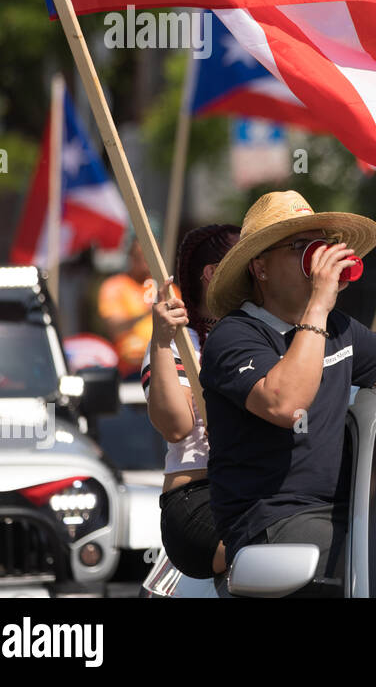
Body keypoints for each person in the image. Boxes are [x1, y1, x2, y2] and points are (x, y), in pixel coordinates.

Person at [200, 191, 376, 595]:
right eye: (300, 247)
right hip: (272, 526)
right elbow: (286, 403)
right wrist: (318, 304)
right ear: (260, 268)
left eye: (320, 243)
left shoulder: (336, 328)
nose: (315, 257)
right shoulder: (235, 335)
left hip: (344, 515)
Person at [142, 224, 239, 579]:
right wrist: (163, 342)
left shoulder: (263, 333)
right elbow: (177, 426)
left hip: (255, 489)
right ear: (213, 274)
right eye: (245, 259)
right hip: (200, 500)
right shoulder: (179, 343)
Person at [99, 241, 169, 378]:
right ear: (131, 257)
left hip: (163, 363)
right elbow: (114, 328)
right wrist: (148, 313)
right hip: (130, 367)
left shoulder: (164, 287)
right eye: (140, 256)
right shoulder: (115, 286)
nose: (145, 262)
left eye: (149, 257)